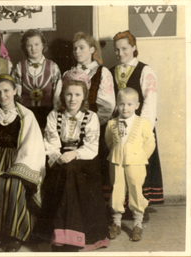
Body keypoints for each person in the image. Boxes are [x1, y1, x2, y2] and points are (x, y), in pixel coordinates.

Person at [42, 69, 109, 252]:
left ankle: (77, 237)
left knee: (71, 171)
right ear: (63, 95)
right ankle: (61, 236)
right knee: (65, 171)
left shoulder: (91, 117)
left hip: (85, 161)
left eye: (77, 95)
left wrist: (74, 154)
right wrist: (59, 157)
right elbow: (51, 144)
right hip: (60, 161)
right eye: (69, 94)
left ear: (84, 96)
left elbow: (91, 147)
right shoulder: (54, 116)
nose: (72, 99)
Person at [0, 74, 45, 252]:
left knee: (14, 185)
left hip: (20, 159)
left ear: (15, 91)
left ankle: (15, 235)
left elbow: (32, 144)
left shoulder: (26, 115)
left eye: (6, 91)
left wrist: (18, 168)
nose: (2, 96)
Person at [110, 30, 163, 208]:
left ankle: (141, 206)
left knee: (138, 169)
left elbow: (150, 100)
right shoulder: (111, 71)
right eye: (117, 50)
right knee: (119, 169)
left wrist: (143, 129)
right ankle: (120, 206)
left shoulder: (144, 70)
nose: (120, 53)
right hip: (118, 128)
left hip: (139, 127)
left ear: (134, 47)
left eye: (124, 48)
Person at [105, 87, 156, 241]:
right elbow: (109, 142)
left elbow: (150, 143)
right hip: (116, 161)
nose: (125, 108)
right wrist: (118, 152)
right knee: (117, 189)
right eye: (121, 104)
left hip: (136, 162)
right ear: (117, 105)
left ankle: (138, 224)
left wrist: (140, 157)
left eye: (129, 104)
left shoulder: (143, 123)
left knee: (135, 189)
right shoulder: (111, 123)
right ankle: (116, 222)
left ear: (137, 105)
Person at [71, 31, 115, 202]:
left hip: (97, 128)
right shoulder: (70, 72)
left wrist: (94, 122)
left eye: (82, 48)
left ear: (92, 49)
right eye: (75, 49)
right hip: (74, 128)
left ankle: (100, 209)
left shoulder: (102, 72)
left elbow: (109, 105)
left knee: (97, 168)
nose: (77, 52)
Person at [13, 29, 62, 130]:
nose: (33, 48)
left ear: (43, 45)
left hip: (48, 114)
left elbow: (57, 95)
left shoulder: (53, 67)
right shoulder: (19, 67)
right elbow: (16, 95)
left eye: (37, 44)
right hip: (26, 113)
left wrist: (55, 116)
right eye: (29, 45)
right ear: (25, 48)